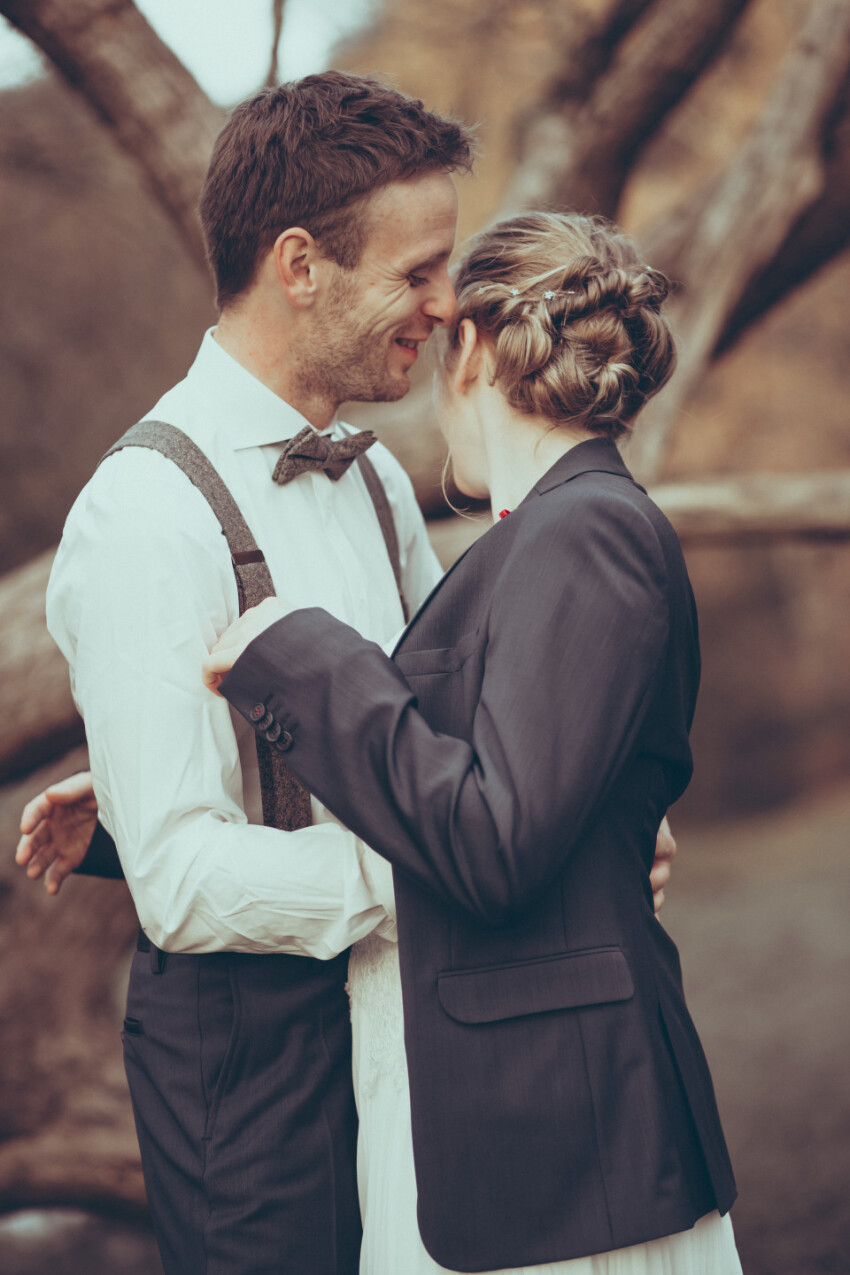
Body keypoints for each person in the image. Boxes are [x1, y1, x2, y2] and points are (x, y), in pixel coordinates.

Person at [203, 211, 743, 1274]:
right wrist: (125, 832)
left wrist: (303, 658)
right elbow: (487, 778)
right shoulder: (550, 534)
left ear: (476, 351)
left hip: (560, 1147)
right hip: (522, 1128)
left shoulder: (580, 531)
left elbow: (491, 839)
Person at [23, 71, 473, 1275]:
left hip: (412, 1013)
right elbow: (183, 883)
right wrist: (457, 877)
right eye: (416, 271)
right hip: (250, 1070)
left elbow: (444, 730)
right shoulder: (140, 516)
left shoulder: (374, 477)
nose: (444, 302)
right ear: (299, 264)